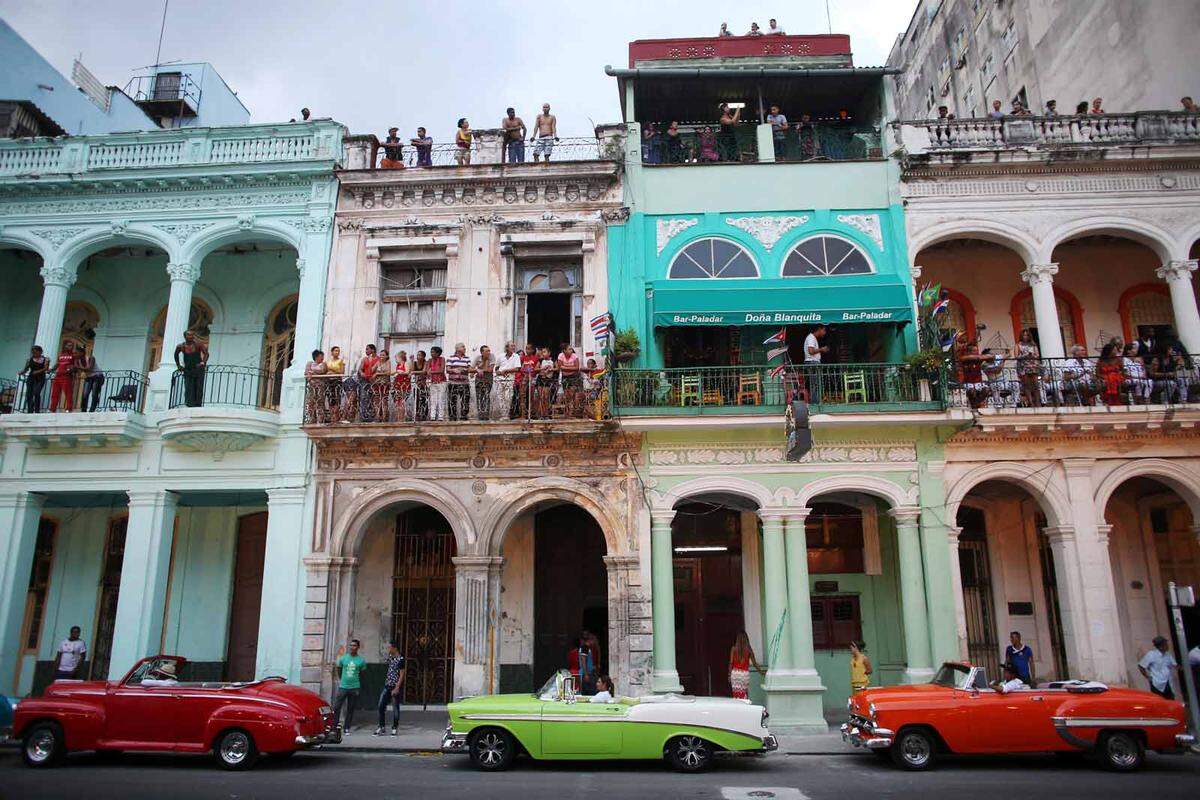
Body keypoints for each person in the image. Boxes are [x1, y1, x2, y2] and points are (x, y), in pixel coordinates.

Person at [332, 639, 367, 733]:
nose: (352, 647)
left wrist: (358, 685)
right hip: (343, 686)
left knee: (350, 708)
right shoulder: (343, 658)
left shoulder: (361, 661)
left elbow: (362, 674)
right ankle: (334, 726)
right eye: (351, 645)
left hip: (354, 687)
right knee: (337, 706)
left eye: (354, 645)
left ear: (358, 647)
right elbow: (339, 669)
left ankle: (347, 727)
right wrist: (341, 680)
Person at [373, 644, 406, 736]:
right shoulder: (391, 657)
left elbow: (402, 674)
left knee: (395, 708)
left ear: (395, 648)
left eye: (389, 647)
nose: (388, 649)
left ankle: (395, 728)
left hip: (395, 686)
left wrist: (397, 687)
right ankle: (381, 726)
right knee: (381, 705)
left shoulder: (401, 659)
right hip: (387, 685)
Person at [174, 330, 209, 408]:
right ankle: (189, 404)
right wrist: (178, 365)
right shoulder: (181, 346)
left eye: (192, 335)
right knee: (188, 387)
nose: (191, 337)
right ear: (185, 336)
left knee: (198, 387)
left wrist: (203, 362)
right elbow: (176, 355)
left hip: (198, 369)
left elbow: (206, 353)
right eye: (188, 335)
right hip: (188, 369)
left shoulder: (198, 345)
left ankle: (197, 404)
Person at [729, 631, 762, 700]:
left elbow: (731, 663)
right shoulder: (749, 650)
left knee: (736, 695)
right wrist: (762, 672)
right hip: (744, 674)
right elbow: (755, 664)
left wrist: (729, 675)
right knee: (743, 694)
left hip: (735, 674)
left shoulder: (734, 649)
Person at [49, 341, 79, 412]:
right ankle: (52, 409)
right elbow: (57, 364)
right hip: (58, 376)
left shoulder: (73, 356)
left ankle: (69, 408)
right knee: (55, 393)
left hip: (66, 376)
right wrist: (52, 369)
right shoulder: (61, 355)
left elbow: (75, 366)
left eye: (71, 346)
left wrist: (70, 370)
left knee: (68, 393)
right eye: (68, 345)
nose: (70, 347)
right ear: (65, 346)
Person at [1014, 329, 1042, 407]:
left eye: (1027, 335)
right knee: (1026, 385)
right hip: (1023, 365)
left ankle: (1038, 402)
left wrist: (1032, 355)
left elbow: (1037, 355)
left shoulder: (1033, 345)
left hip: (1033, 365)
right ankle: (1030, 402)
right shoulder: (1018, 345)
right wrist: (1025, 355)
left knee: (1035, 384)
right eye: (1024, 335)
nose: (1025, 337)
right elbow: (1016, 356)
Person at [18, 345, 49, 413]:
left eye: (35, 352)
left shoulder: (46, 359)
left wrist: (38, 371)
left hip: (40, 378)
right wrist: (21, 372)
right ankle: (30, 410)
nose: (33, 354)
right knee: (29, 394)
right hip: (31, 378)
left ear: (40, 352)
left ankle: (37, 410)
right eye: (33, 352)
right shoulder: (29, 360)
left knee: (36, 393)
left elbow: (46, 368)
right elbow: (26, 369)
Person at [958, 342, 989, 409]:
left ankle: (975, 404)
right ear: (970, 352)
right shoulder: (965, 358)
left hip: (978, 383)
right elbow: (963, 358)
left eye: (977, 350)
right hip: (968, 383)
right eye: (975, 351)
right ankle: (975, 404)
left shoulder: (979, 359)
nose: (977, 352)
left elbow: (987, 357)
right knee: (972, 391)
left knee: (986, 390)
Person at [446, 342, 471, 421]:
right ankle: (452, 417)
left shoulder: (467, 358)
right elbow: (447, 369)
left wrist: (464, 369)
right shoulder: (451, 358)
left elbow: (470, 369)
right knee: (452, 400)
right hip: (453, 383)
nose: (465, 348)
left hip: (464, 383)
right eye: (463, 347)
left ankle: (464, 416)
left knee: (465, 400)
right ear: (457, 349)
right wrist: (454, 370)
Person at [803, 324, 828, 404]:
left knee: (815, 384)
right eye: (824, 330)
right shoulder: (811, 338)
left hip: (813, 362)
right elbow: (810, 351)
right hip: (812, 362)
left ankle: (816, 401)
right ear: (819, 329)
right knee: (814, 384)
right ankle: (815, 402)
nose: (824, 332)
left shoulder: (812, 338)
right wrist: (822, 349)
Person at [497, 341, 521, 420]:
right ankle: (502, 415)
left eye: (514, 346)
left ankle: (506, 415)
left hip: (510, 379)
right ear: (507, 347)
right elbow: (497, 367)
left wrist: (506, 371)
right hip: (500, 379)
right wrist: (499, 372)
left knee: (508, 397)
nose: (513, 348)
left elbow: (517, 368)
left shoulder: (516, 356)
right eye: (512, 346)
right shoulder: (501, 356)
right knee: (500, 397)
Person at [557, 343, 582, 416]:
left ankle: (573, 411)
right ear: (564, 350)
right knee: (566, 394)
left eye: (571, 349)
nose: (571, 350)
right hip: (565, 377)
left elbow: (577, 368)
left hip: (574, 377)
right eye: (569, 349)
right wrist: (571, 368)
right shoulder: (560, 356)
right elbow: (560, 367)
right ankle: (568, 410)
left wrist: (565, 368)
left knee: (573, 394)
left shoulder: (575, 356)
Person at [304, 349, 328, 423]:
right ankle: (311, 419)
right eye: (321, 356)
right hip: (312, 386)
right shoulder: (310, 363)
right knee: (311, 402)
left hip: (320, 386)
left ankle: (320, 420)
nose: (322, 358)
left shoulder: (323, 364)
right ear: (316, 356)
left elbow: (323, 371)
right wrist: (313, 375)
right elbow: (306, 373)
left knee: (320, 402)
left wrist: (313, 372)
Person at [473, 344, 495, 420]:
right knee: (479, 397)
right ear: (482, 352)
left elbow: (490, 370)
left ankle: (486, 414)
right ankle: (480, 414)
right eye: (487, 351)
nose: (489, 352)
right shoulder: (477, 358)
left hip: (488, 378)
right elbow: (471, 369)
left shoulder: (491, 356)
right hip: (479, 379)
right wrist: (477, 370)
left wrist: (480, 369)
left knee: (486, 396)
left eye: (489, 351)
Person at [427, 346, 447, 420]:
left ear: (438, 353)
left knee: (441, 399)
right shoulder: (429, 360)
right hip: (433, 382)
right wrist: (430, 372)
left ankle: (440, 416)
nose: (432, 353)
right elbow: (427, 371)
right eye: (431, 352)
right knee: (433, 399)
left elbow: (442, 370)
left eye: (433, 352)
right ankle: (432, 416)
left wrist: (431, 372)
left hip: (441, 382)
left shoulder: (442, 359)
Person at [392, 350, 411, 421]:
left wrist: (400, 372)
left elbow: (407, 371)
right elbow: (392, 372)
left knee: (402, 402)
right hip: (397, 384)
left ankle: (402, 418)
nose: (396, 359)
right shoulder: (397, 365)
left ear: (401, 358)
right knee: (397, 402)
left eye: (396, 358)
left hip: (404, 384)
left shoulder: (405, 363)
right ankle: (398, 417)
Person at [410, 350, 429, 420]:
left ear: (424, 356)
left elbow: (424, 371)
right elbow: (411, 370)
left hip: (424, 384)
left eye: (420, 355)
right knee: (417, 400)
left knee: (424, 399)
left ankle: (424, 414)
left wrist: (415, 372)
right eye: (418, 355)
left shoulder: (426, 362)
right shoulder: (415, 363)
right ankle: (417, 414)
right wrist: (411, 361)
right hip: (417, 384)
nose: (418, 357)